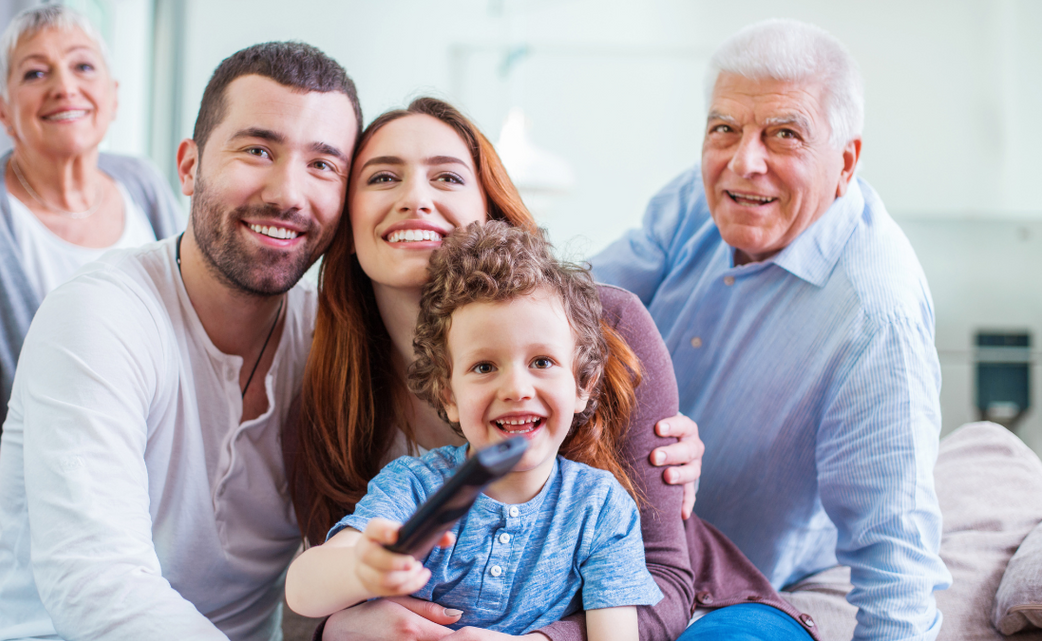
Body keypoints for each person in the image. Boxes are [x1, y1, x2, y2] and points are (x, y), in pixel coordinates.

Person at [286, 97, 816, 641]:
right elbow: (309, 594)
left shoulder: (600, 326)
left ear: (487, 205)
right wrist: (353, 606)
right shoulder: (343, 401)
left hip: (695, 612)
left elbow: (661, 579)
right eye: (383, 178)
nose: (415, 199)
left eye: (446, 177)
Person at [0, 41, 360, 641]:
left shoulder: (326, 339)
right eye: (257, 149)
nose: (288, 193)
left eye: (323, 165)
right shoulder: (100, 313)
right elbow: (97, 583)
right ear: (189, 166)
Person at [590, 19, 952, 639]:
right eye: (723, 129)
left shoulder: (874, 316)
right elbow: (576, 312)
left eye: (784, 135)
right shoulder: (695, 199)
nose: (744, 161)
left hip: (741, 584)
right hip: (616, 541)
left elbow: (896, 557)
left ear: (846, 162)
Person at [287, 221, 664, 639]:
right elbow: (302, 591)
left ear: (582, 386)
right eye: (484, 367)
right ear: (449, 395)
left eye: (541, 362)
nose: (517, 389)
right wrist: (363, 568)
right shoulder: (412, 489)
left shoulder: (601, 508)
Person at [0, 4, 181, 558]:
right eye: (35, 73)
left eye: (83, 67)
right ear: (3, 111)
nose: (64, 87)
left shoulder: (145, 184)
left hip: (167, 511)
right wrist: (29, 554)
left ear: (112, 92)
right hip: (41, 529)